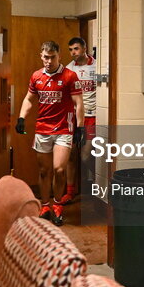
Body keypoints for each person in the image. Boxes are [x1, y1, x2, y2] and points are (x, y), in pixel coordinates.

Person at [15, 41, 85, 226]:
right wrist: (22, 117)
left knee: (59, 169)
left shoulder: (70, 76)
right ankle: (45, 205)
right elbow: (29, 99)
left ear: (59, 56)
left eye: (52, 57)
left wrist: (81, 127)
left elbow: (78, 103)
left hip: (64, 129)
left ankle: (58, 205)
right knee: (45, 171)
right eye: (46, 57)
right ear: (41, 56)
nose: (49, 61)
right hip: (43, 128)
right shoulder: (36, 76)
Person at [64, 36, 96, 207]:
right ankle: (70, 192)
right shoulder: (69, 69)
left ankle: (98, 180)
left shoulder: (96, 65)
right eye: (70, 50)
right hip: (73, 116)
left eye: (76, 49)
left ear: (84, 48)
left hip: (91, 115)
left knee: (85, 156)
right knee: (70, 155)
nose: (73, 53)